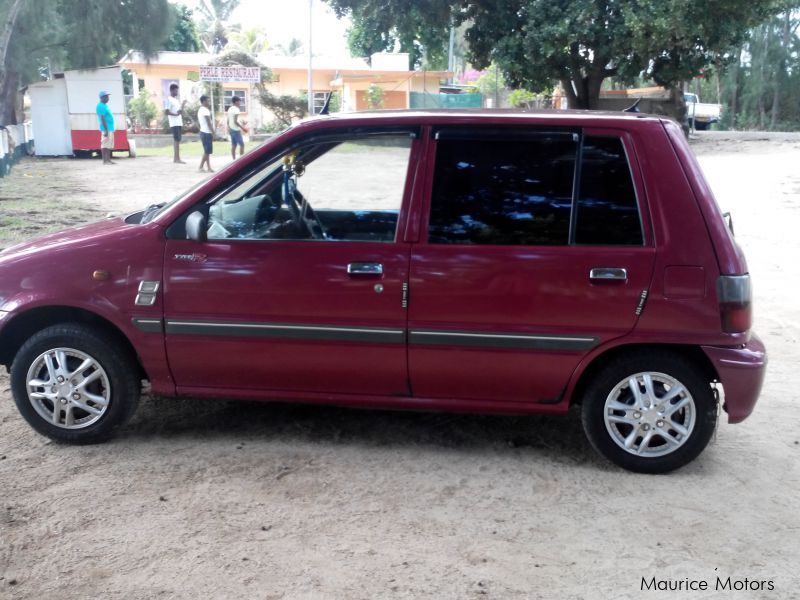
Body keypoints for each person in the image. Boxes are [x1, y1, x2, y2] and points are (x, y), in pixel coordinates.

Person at [165, 83, 187, 164]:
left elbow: (179, 112)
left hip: (178, 122)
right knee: (176, 140)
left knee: (178, 140)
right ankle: (176, 158)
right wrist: (175, 115)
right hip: (174, 123)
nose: (177, 92)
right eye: (176, 90)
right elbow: (166, 112)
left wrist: (183, 105)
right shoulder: (168, 100)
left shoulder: (176, 100)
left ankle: (177, 158)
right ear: (172, 90)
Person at [96, 91, 115, 165]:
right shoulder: (100, 106)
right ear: (102, 98)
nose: (108, 98)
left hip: (110, 128)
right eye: (106, 97)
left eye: (108, 97)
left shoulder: (105, 105)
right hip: (106, 129)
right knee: (104, 144)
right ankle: (105, 161)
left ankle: (108, 160)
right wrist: (106, 130)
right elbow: (102, 118)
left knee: (109, 145)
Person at [197, 95, 215, 173]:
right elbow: (209, 123)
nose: (209, 102)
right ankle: (200, 166)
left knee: (207, 151)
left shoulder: (201, 109)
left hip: (203, 132)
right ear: (203, 101)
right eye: (208, 101)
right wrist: (214, 132)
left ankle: (209, 167)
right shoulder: (205, 110)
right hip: (207, 132)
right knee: (207, 151)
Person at [227, 95, 248, 160]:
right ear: (236, 102)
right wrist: (243, 128)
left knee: (234, 145)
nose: (240, 103)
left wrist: (229, 128)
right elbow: (235, 121)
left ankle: (233, 160)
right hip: (235, 130)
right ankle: (241, 160)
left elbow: (228, 120)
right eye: (239, 101)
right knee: (242, 145)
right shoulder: (236, 109)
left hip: (231, 129)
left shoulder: (230, 109)